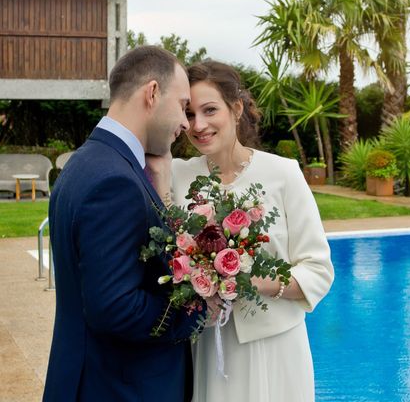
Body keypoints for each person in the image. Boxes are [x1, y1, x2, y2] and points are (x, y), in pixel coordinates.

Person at [153, 60, 334, 401]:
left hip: (277, 348)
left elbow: (319, 271)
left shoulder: (284, 174)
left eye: (210, 110)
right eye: (189, 114)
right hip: (210, 347)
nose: (199, 125)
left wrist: (254, 283)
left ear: (236, 109)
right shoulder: (177, 175)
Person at [43, 46, 204, 402]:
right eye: (182, 105)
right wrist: (195, 308)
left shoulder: (86, 162)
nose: (185, 123)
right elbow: (115, 307)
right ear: (152, 93)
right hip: (119, 387)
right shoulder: (114, 181)